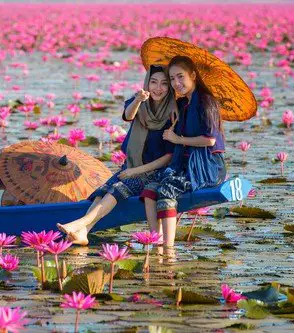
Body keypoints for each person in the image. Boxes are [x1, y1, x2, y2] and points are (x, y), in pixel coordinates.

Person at [57, 65, 178, 245]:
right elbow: (129, 116)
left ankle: (79, 223)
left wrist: (136, 171)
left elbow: (169, 156)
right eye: (153, 82)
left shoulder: (173, 113)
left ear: (170, 87)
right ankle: (84, 232)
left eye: (164, 84)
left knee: (118, 188)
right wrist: (138, 100)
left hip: (154, 172)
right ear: (147, 83)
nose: (158, 88)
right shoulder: (139, 102)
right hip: (130, 166)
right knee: (103, 191)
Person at [139, 55, 227, 255]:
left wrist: (177, 139)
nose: (176, 83)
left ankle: (168, 251)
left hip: (207, 166)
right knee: (151, 188)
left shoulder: (206, 102)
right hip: (185, 164)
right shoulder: (181, 105)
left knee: (167, 189)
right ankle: (156, 244)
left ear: (193, 75)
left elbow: (209, 140)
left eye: (180, 77)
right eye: (172, 79)